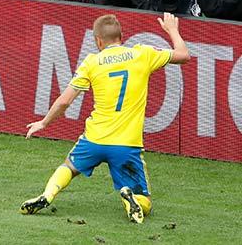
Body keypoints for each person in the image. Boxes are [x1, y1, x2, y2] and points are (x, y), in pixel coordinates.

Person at [19, 13, 190, 223]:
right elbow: (184, 55)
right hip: (126, 144)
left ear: (98, 40)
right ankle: (131, 198)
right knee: (145, 201)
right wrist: (172, 30)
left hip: (94, 139)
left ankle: (48, 194)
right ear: (122, 36)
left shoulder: (92, 62)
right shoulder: (142, 54)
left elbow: (65, 101)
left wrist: (43, 122)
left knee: (69, 167)